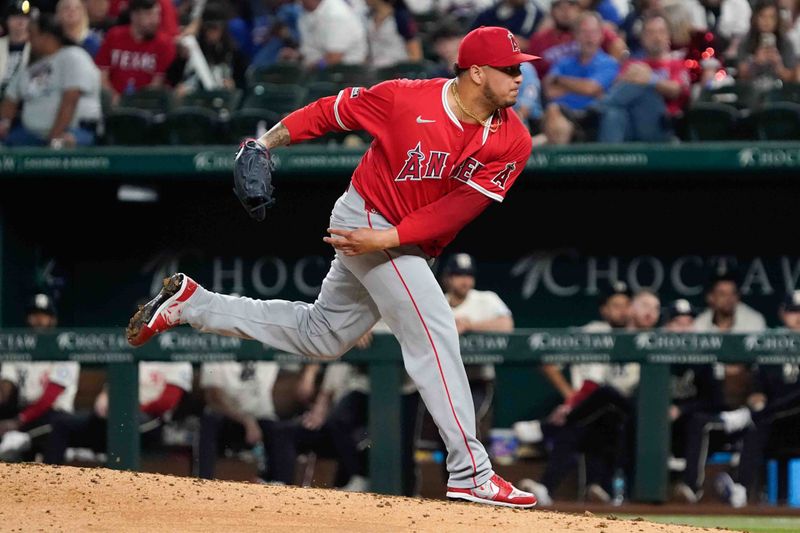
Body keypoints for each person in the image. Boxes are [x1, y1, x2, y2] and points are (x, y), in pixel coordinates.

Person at [126, 25, 538, 508]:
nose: (519, 77)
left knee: (322, 336)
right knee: (434, 329)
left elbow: (460, 208)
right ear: (475, 72)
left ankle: (192, 305)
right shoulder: (405, 99)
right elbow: (330, 112)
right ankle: (472, 471)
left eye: (519, 68)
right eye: (509, 69)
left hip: (395, 236)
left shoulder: (512, 139)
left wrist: (389, 240)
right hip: (366, 213)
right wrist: (264, 144)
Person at [522, 283, 639, 506]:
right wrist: (569, 395)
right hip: (587, 414)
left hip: (620, 413)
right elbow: (546, 360)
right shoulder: (589, 332)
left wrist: (570, 408)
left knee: (606, 393)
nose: (622, 311)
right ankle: (551, 488)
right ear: (604, 310)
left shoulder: (638, 337)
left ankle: (547, 428)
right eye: (616, 305)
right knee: (575, 429)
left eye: (626, 305)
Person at [716, 290, 800, 507]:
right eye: (793, 311)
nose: (798, 317)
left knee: (760, 418)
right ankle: (741, 490)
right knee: (757, 426)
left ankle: (747, 416)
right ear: (783, 313)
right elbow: (758, 386)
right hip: (777, 423)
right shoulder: (771, 344)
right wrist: (756, 399)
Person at [44, 361, 192, 464]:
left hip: (150, 421)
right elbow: (112, 387)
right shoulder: (136, 348)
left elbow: (166, 402)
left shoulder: (178, 362)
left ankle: (118, 481)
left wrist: (124, 409)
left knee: (121, 423)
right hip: (112, 417)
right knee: (62, 423)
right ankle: (48, 479)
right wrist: (103, 401)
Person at [0, 11, 101, 147]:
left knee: (62, 144)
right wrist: (4, 122)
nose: (28, 39)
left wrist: (54, 137)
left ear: (47, 37)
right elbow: (11, 97)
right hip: (32, 134)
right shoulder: (30, 66)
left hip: (74, 131)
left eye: (33, 35)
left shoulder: (74, 56)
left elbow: (70, 100)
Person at [0, 294, 80, 462]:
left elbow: (49, 398)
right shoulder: (19, 349)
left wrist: (17, 422)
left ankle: (22, 440)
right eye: (34, 315)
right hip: (25, 412)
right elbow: (5, 389)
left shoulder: (64, 350)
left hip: (55, 415)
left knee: (55, 426)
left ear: (52, 320)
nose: (38, 320)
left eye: (44, 315)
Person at [662, 299, 727, 504]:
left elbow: (716, 401)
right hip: (667, 428)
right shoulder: (655, 353)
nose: (684, 329)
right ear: (667, 327)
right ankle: (634, 492)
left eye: (688, 323)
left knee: (698, 421)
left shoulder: (704, 355)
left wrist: (681, 409)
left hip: (704, 426)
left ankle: (691, 488)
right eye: (677, 323)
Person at [597, 13, 690, 143]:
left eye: (661, 32)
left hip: (660, 124)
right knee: (614, 114)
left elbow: (676, 90)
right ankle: (610, 161)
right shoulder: (632, 64)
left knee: (644, 89)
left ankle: (601, 106)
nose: (656, 37)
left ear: (668, 37)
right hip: (630, 122)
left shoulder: (677, 64)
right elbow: (617, 87)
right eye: (650, 33)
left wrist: (650, 79)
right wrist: (632, 77)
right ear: (642, 38)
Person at [197, 360, 287, 481]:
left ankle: (281, 489)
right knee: (210, 421)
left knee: (280, 431)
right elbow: (214, 397)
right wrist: (247, 421)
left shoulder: (267, 348)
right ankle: (203, 482)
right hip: (226, 417)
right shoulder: (219, 349)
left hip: (261, 419)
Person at [542, 11, 620, 144]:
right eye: (584, 32)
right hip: (564, 114)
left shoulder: (609, 63)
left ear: (601, 36)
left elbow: (590, 88)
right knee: (553, 111)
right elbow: (550, 91)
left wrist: (560, 81)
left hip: (593, 117)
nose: (589, 38)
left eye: (593, 32)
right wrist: (584, 88)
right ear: (576, 36)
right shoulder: (564, 62)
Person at [94, 0, 177, 105]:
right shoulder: (114, 36)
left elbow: (156, 84)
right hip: (112, 103)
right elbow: (102, 73)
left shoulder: (164, 44)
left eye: (157, 14)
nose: (155, 20)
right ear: (134, 16)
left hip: (146, 104)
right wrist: (113, 98)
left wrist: (134, 103)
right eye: (149, 15)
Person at [526, 0, 626, 78]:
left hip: (589, 84)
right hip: (553, 91)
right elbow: (531, 71)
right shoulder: (539, 38)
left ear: (579, 10)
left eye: (571, 7)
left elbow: (619, 46)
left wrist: (609, 74)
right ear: (551, 11)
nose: (565, 12)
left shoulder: (590, 29)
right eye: (560, 7)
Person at [736, 0, 799, 87]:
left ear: (777, 20)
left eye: (771, 17)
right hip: (751, 92)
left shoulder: (786, 43)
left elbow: (792, 78)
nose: (767, 21)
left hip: (778, 93)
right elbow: (741, 75)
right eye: (763, 16)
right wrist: (755, 62)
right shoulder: (746, 42)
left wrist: (778, 66)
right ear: (755, 18)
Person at [297, 0, 368, 69]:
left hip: (346, 72)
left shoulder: (336, 14)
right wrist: (297, 55)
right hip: (324, 70)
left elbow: (334, 57)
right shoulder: (308, 12)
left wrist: (313, 67)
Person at [365, 0, 422, 69]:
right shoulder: (368, 17)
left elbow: (415, 52)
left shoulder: (401, 17)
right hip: (375, 68)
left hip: (398, 69)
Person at [470, 0, 544, 51]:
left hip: (514, 58)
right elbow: (472, 34)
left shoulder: (532, 13)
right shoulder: (492, 9)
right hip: (486, 51)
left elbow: (522, 43)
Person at [0, 0, 31, 99]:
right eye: (16, 17)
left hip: (24, 98)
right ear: (6, 20)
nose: (21, 21)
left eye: (24, 17)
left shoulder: (36, 46)